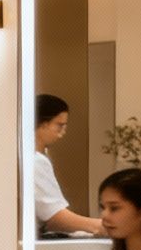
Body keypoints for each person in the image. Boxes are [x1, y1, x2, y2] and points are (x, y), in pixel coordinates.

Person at [32, 94, 106, 236]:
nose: (63, 133)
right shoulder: (35, 161)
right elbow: (55, 218)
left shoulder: (38, 158)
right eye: (59, 126)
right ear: (42, 123)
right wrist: (100, 226)